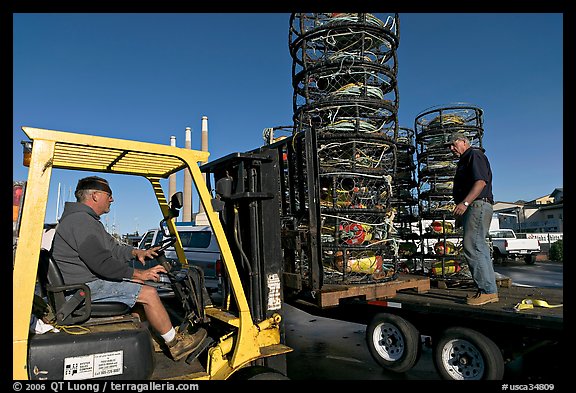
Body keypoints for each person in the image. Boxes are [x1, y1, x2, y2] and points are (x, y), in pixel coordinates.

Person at [51, 175, 207, 360]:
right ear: (95, 196)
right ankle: (176, 344)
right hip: (82, 289)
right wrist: (139, 274)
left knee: (137, 289)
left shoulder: (86, 221)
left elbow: (113, 248)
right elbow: (102, 263)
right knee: (149, 294)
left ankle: (152, 338)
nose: (112, 199)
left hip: (83, 283)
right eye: (108, 194)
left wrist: (137, 253)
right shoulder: (81, 222)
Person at [448, 133, 498, 306]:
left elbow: (480, 182)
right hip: (476, 206)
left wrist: (465, 202)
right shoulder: (466, 159)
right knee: (479, 247)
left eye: (454, 144)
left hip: (477, 204)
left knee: (472, 245)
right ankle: (488, 289)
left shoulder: (474, 155)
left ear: (464, 142)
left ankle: (487, 291)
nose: (451, 149)